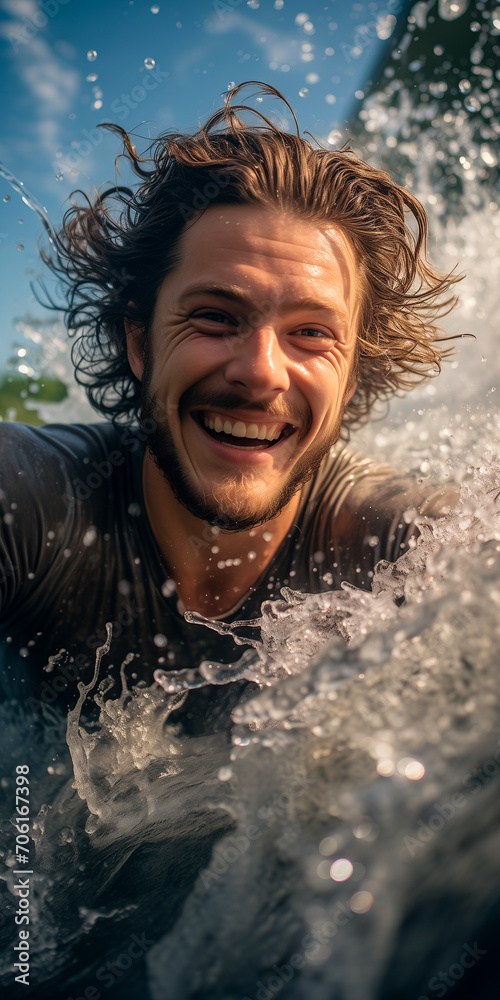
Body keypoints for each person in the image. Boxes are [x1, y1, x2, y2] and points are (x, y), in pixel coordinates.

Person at [0, 82, 461, 720]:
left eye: (312, 333)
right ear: (140, 343)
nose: (261, 373)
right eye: (217, 316)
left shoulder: (395, 546)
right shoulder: (33, 506)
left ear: (351, 378)